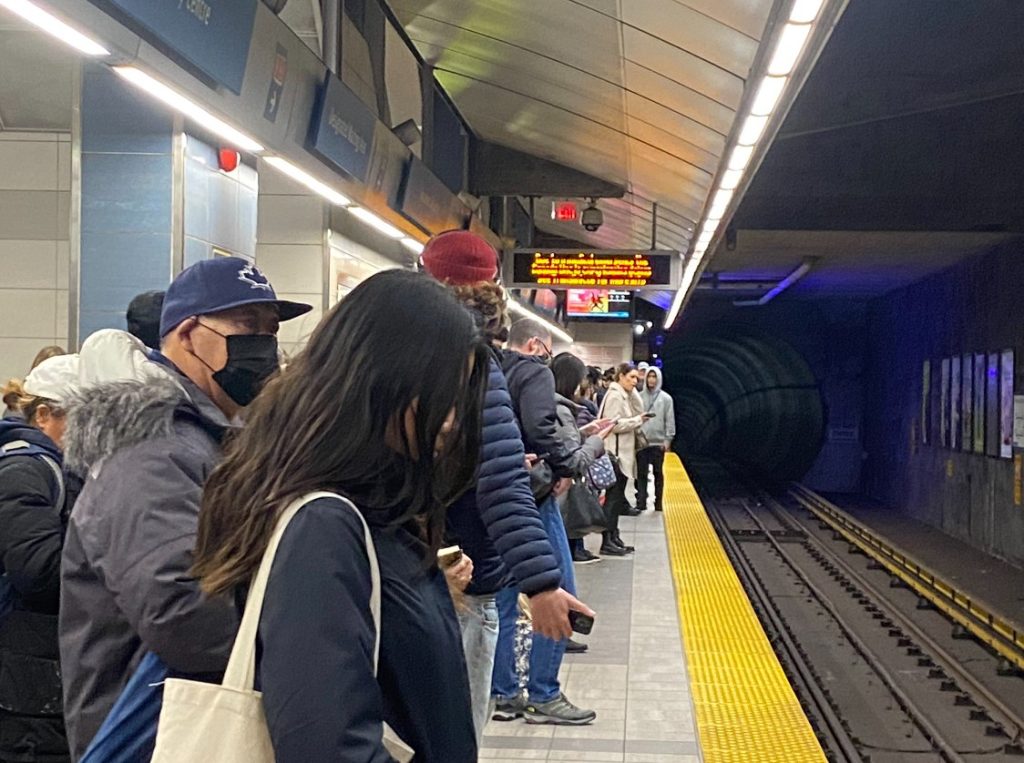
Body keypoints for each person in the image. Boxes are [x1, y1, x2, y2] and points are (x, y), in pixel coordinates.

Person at [191, 270, 485, 762]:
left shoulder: (375, 510)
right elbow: (328, 747)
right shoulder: (324, 525)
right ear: (376, 380)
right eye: (437, 393)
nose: (451, 418)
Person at [59, 258, 311, 759]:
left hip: (185, 726)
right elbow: (180, 612)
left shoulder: (207, 436)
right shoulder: (150, 447)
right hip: (153, 732)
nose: (264, 343)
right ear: (189, 334)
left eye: (270, 328)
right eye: (247, 325)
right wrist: (306, 635)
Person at [420, 230, 592, 742]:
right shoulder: (478, 364)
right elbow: (500, 477)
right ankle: (537, 693)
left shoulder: (377, 356)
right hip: (464, 571)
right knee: (454, 730)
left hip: (393, 567)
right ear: (495, 289)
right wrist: (541, 584)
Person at [494, 320, 597, 725]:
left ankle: (502, 694)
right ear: (536, 344)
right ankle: (543, 693)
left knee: (502, 598)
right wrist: (579, 453)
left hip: (492, 497)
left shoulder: (489, 369)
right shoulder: (533, 370)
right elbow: (541, 427)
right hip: (533, 497)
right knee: (558, 591)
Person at [0, 357, 80, 763]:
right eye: (81, 417)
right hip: (26, 679)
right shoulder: (26, 468)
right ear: (44, 415)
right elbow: (39, 570)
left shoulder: (51, 468)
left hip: (33, 670)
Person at [551, 353, 614, 568]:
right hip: (556, 493)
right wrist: (596, 441)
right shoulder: (562, 410)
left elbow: (560, 442)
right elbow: (574, 461)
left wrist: (584, 432)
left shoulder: (543, 403)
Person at [597, 364, 650, 555]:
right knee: (612, 499)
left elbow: (638, 408)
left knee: (617, 499)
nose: (635, 382)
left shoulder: (624, 394)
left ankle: (614, 535)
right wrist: (638, 421)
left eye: (637, 379)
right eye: (631, 378)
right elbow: (612, 424)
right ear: (621, 376)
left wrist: (633, 391)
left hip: (622, 454)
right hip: (615, 454)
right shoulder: (615, 396)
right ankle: (606, 541)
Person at [637, 366, 676, 513]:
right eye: (649, 376)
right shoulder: (638, 397)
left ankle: (658, 503)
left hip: (658, 443)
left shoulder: (666, 399)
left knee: (658, 473)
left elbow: (669, 420)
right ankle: (641, 502)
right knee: (641, 474)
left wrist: (667, 440)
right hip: (642, 442)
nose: (651, 380)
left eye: (654, 377)